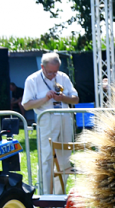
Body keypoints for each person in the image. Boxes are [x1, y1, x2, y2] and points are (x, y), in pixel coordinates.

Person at [22, 52, 79, 194]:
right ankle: (46, 195)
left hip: (64, 118)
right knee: (46, 158)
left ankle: (59, 195)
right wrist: (45, 99)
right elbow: (26, 105)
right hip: (46, 120)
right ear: (42, 66)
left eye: (55, 71)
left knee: (65, 158)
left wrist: (63, 98)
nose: (53, 75)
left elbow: (75, 99)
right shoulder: (32, 80)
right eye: (49, 72)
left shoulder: (63, 77)